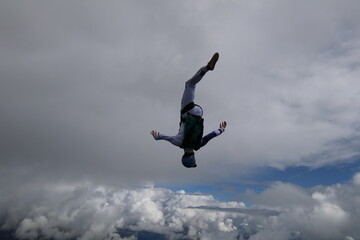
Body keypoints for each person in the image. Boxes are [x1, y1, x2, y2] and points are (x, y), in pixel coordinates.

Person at [151, 52, 227, 168]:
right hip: (187, 111)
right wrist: (157, 136)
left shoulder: (198, 145)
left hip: (199, 113)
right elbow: (165, 137)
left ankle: (207, 68)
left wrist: (221, 129)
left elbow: (211, 135)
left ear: (193, 156)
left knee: (191, 87)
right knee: (189, 84)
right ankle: (207, 68)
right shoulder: (178, 142)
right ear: (184, 156)